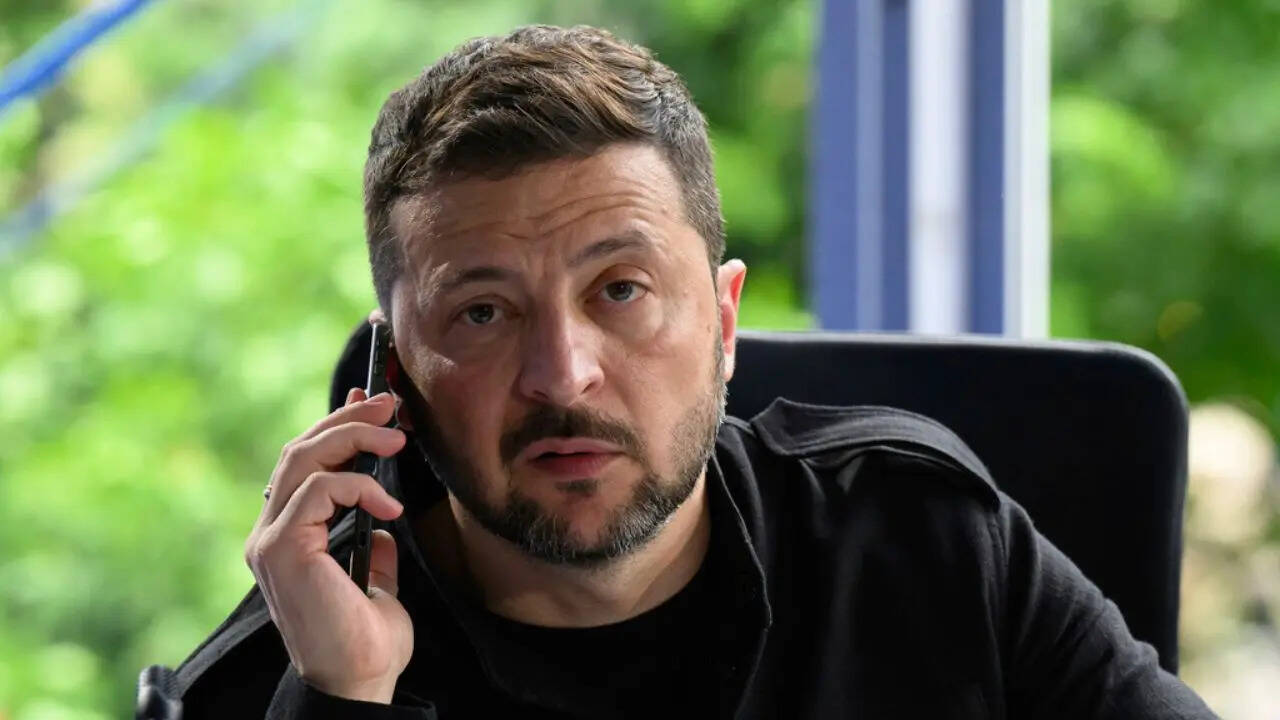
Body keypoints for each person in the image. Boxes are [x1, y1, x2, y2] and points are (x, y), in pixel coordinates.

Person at [172, 24, 1217, 719]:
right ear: (396, 373)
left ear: (722, 321)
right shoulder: (296, 663)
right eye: (483, 313)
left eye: (620, 289)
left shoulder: (922, 540)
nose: (561, 375)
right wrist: (344, 698)